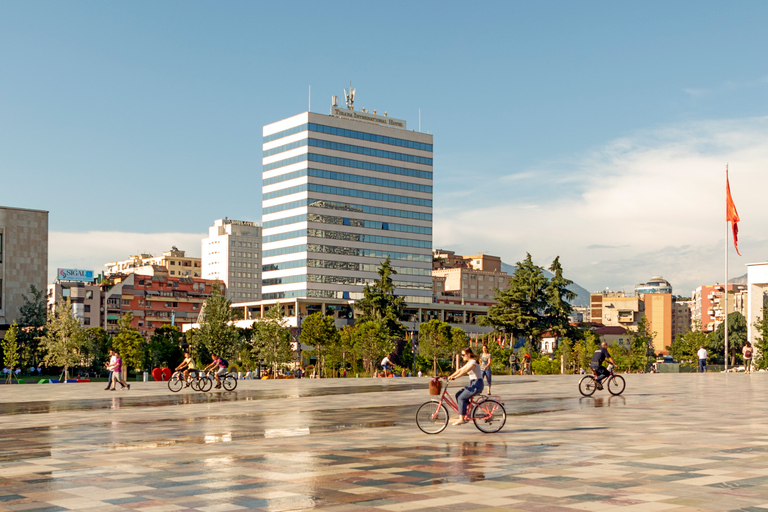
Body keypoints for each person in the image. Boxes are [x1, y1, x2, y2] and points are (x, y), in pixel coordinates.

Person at [448, 347, 483, 425]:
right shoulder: (469, 362)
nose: (462, 356)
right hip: (472, 384)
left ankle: (461, 418)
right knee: (458, 395)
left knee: (461, 398)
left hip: (477, 384)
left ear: (468, 354)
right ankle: (472, 409)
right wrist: (450, 376)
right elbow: (460, 370)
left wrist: (454, 377)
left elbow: (465, 371)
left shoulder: (473, 363)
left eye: (463, 355)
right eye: (462, 355)